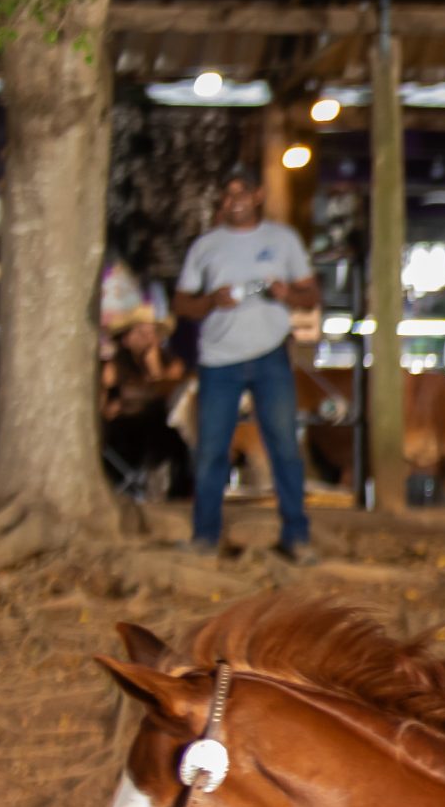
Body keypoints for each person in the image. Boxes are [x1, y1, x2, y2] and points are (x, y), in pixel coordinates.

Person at [171, 166, 318, 561]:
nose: (234, 200)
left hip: (270, 356)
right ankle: (205, 536)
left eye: (242, 191)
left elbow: (311, 295)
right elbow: (182, 303)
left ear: (258, 196)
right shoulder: (206, 246)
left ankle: (296, 536)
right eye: (228, 192)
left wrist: (287, 294)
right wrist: (210, 301)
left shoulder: (283, 240)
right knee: (211, 451)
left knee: (284, 447)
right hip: (219, 360)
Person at [100, 312, 191, 498]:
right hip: (125, 432)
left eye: (152, 332)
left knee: (165, 422)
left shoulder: (172, 364)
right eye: (141, 332)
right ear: (126, 339)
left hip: (162, 427)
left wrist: (153, 366)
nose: (148, 338)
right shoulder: (114, 368)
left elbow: (171, 397)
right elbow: (104, 409)